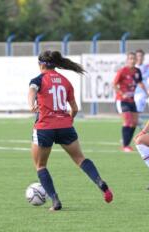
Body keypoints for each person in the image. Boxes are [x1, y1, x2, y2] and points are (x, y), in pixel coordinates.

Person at [28, 50, 113, 211]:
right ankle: (100, 182)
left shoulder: (38, 80)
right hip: (65, 126)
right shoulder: (65, 81)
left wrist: (31, 104)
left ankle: (55, 201)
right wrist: (69, 120)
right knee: (80, 159)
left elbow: (32, 90)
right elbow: (74, 108)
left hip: (45, 127)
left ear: (41, 65)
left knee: (40, 166)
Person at [113, 52, 147, 152]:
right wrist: (121, 93)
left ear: (136, 60)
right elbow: (114, 84)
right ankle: (125, 145)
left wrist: (147, 92)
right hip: (122, 100)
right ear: (127, 60)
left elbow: (140, 82)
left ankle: (127, 144)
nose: (132, 60)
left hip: (132, 100)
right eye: (130, 59)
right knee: (127, 121)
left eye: (134, 59)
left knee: (135, 123)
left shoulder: (137, 71)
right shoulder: (122, 71)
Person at [134, 49, 149, 127]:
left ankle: (143, 130)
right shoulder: (132, 68)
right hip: (132, 93)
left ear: (143, 57)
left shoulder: (147, 68)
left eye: (141, 56)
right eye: (138, 56)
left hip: (142, 93)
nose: (139, 58)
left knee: (137, 113)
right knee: (134, 116)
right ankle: (143, 129)